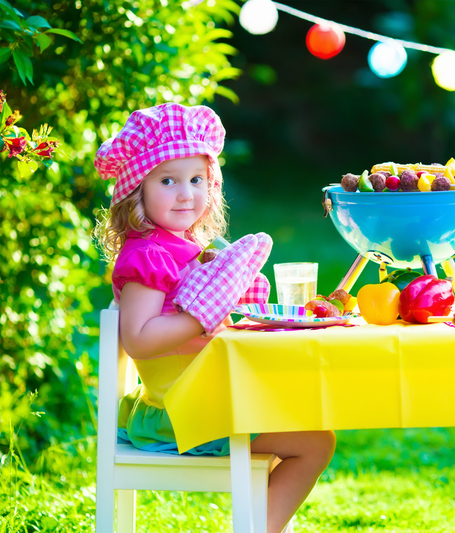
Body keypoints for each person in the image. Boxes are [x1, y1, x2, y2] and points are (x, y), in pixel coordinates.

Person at [94, 103, 335, 533]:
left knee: (304, 413)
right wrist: (201, 316)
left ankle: (257, 523)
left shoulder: (181, 247)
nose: (186, 193)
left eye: (196, 180)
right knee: (315, 442)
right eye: (168, 181)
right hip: (182, 413)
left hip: (201, 400)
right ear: (137, 190)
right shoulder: (149, 255)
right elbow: (138, 338)